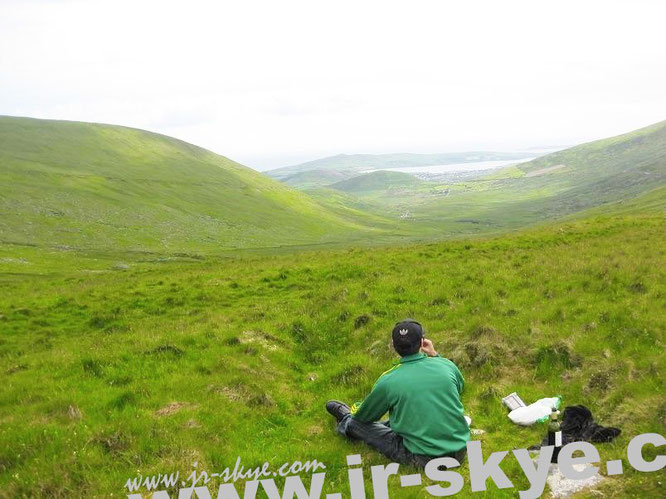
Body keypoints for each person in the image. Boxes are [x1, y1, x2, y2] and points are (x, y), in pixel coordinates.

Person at [326, 319, 470, 468]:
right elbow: (460, 387)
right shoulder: (446, 365)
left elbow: (364, 416)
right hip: (459, 454)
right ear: (422, 342)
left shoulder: (388, 380)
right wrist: (434, 354)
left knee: (356, 423)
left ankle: (345, 419)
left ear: (394, 346)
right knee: (406, 416)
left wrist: (355, 410)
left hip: (422, 459)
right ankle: (381, 424)